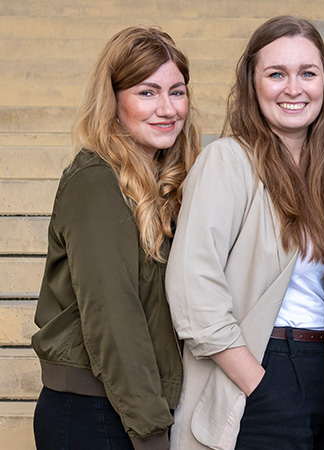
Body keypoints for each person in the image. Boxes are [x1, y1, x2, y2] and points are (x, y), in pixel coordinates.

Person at [164, 16, 324, 450]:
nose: (293, 88)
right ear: (252, 83)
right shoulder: (228, 161)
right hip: (261, 369)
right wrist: (258, 385)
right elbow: (192, 288)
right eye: (276, 74)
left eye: (307, 73)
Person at [31, 26, 199, 450]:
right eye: (147, 92)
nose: (167, 108)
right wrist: (150, 434)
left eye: (176, 91)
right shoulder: (97, 182)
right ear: (114, 100)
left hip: (132, 407)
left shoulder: (163, 181)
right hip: (93, 413)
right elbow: (113, 316)